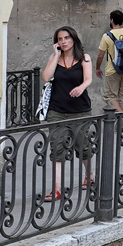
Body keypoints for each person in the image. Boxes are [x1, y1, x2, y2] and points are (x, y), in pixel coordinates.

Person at [42, 26, 94, 201]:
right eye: (60, 39)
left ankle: (89, 176)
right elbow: (46, 77)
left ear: (73, 39)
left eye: (66, 38)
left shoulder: (84, 58)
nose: (63, 41)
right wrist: (56, 56)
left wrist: (81, 87)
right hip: (57, 111)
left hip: (80, 111)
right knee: (56, 149)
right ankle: (56, 189)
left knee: (83, 147)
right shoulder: (55, 58)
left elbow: (88, 79)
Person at [96, 9, 123, 112]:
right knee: (122, 97)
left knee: (110, 97)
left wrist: (97, 68)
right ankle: (122, 125)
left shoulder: (107, 36)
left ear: (111, 20)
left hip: (112, 70)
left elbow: (100, 55)